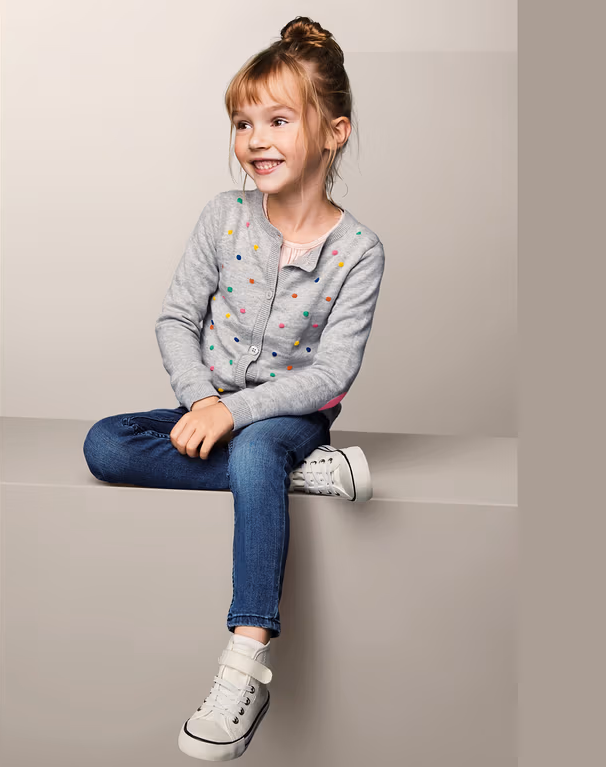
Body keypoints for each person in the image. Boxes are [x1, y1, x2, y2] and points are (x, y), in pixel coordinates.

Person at [82, 15, 386, 762]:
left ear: (334, 132)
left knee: (257, 451)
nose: (254, 139)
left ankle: (243, 667)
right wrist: (201, 402)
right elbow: (176, 319)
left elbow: (330, 374)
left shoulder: (358, 251)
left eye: (278, 120)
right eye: (243, 123)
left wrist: (237, 412)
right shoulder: (224, 217)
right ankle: (300, 478)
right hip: (209, 405)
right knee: (105, 443)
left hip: (287, 416)